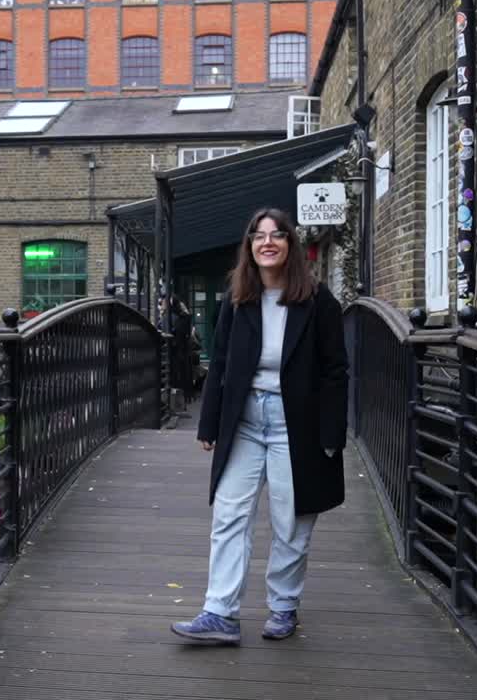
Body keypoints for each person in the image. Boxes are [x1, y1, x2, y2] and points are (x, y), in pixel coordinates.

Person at [172, 207, 347, 645]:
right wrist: (208, 423)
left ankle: (283, 606)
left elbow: (335, 371)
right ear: (250, 247)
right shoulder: (238, 300)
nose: (267, 242)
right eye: (258, 236)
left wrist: (332, 433)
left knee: (290, 519)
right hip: (246, 421)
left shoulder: (319, 301)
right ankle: (219, 613)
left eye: (277, 235)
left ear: (290, 245)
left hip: (297, 424)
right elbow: (222, 365)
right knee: (229, 515)